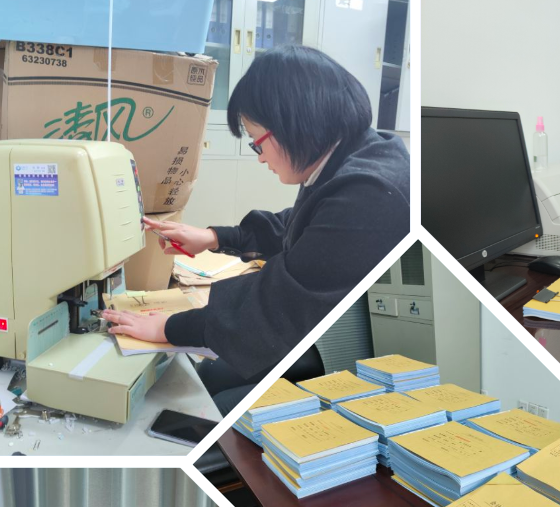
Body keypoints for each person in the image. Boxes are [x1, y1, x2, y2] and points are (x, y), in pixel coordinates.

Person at [100, 45, 410, 413]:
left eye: (256, 141)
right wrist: (213, 238)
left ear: (296, 123)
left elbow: (278, 304)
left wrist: (166, 327)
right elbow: (297, 228)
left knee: (212, 405)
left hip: (339, 349)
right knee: (211, 377)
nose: (259, 157)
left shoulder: (367, 192)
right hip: (315, 329)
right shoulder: (351, 157)